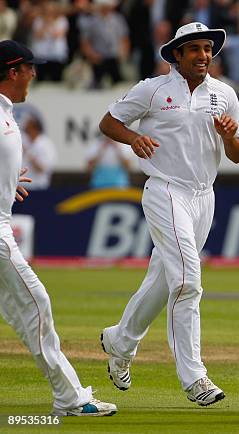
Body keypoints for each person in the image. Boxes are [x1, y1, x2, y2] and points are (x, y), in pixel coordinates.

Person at [98, 22, 239, 407]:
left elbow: (238, 153)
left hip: (204, 197)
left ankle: (120, 340)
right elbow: (109, 122)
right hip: (165, 189)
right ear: (176, 56)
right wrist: (134, 138)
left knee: (165, 281)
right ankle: (194, 377)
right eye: (194, 49)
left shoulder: (224, 94)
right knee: (188, 282)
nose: (203, 55)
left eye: (207, 48)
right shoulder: (153, 89)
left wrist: (230, 136)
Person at [0, 39, 117, 417]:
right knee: (38, 308)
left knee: (34, 310)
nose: (35, 75)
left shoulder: (5, 113)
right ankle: (70, 398)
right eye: (30, 68)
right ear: (13, 71)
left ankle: (70, 396)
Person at [21, 114, 56, 190]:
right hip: (21, 187)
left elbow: (42, 169)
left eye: (28, 125)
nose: (25, 127)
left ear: (34, 127)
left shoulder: (46, 144)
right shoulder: (23, 140)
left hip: (38, 188)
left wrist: (28, 154)